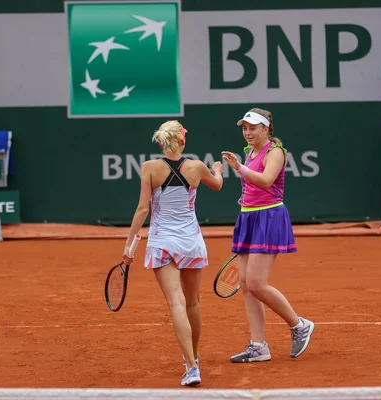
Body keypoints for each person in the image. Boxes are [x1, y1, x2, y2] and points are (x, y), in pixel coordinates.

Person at [122, 120, 224, 386]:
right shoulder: (197, 167)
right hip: (191, 242)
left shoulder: (149, 168)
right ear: (182, 140)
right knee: (193, 303)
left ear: (161, 141)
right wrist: (216, 169)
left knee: (177, 303)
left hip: (162, 242)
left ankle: (191, 366)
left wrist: (128, 246)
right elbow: (218, 185)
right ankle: (195, 357)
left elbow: (143, 210)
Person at [221, 108, 314, 363]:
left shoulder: (275, 151)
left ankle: (299, 325)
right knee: (246, 285)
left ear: (266, 129)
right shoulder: (248, 152)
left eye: (252, 128)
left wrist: (239, 169)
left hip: (269, 217)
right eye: (244, 128)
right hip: (248, 216)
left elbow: (265, 181)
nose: (248, 132)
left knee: (257, 283)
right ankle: (258, 345)